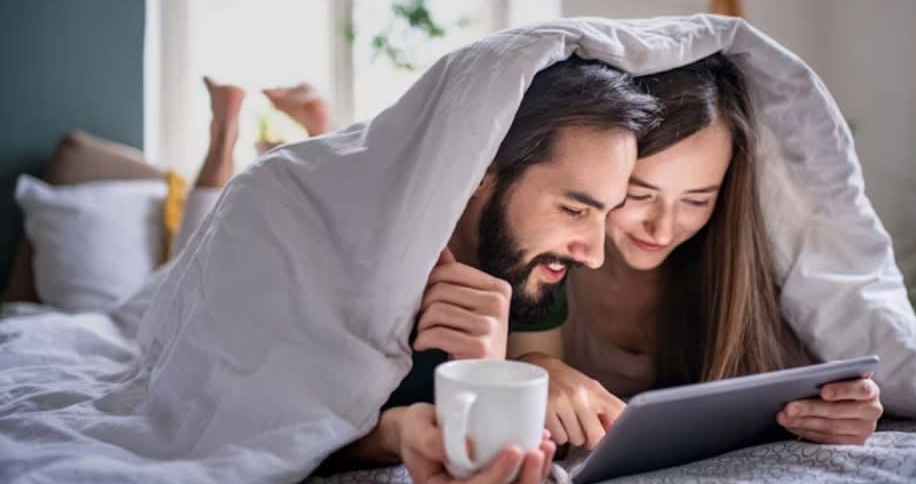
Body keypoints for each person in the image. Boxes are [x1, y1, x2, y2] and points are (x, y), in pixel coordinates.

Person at [176, 59, 663, 483]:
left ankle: (316, 122)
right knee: (179, 256)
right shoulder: (314, 235)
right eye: (575, 210)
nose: (595, 255)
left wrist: (524, 369)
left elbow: (517, 375)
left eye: (606, 211)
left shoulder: (535, 260)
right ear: (478, 171)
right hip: (217, 270)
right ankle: (225, 131)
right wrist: (393, 432)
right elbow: (238, 412)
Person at [509, 53, 885, 451]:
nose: (663, 228)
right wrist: (534, 370)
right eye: (639, 195)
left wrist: (843, 409)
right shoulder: (550, 263)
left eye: (696, 201)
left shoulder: (730, 266)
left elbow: (802, 386)